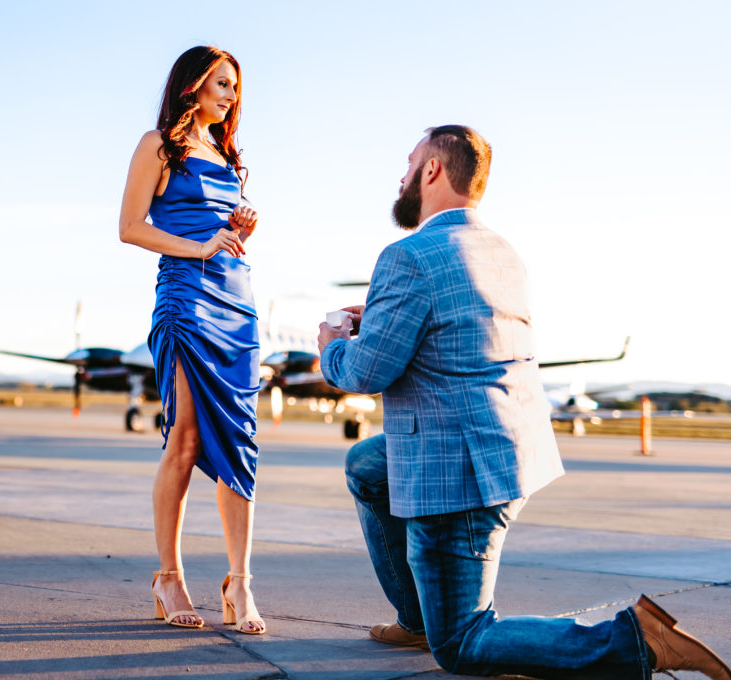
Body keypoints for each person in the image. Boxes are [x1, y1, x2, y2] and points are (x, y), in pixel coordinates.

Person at [317, 125, 730, 678]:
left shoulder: (408, 255)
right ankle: (419, 619)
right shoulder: (501, 251)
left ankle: (637, 641)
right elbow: (459, 335)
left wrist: (334, 346)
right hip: (508, 449)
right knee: (368, 466)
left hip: (457, 472)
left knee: (463, 644)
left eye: (409, 161)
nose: (402, 174)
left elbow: (366, 372)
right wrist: (384, 326)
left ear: (433, 170)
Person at [118, 46, 264, 635]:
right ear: (191, 87)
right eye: (221, 84)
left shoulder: (226, 155)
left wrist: (233, 232)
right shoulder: (159, 145)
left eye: (234, 86)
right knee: (183, 437)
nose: (230, 95)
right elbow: (131, 228)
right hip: (185, 299)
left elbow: (217, 234)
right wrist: (202, 246)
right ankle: (169, 576)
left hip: (238, 303)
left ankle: (239, 583)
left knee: (241, 441)